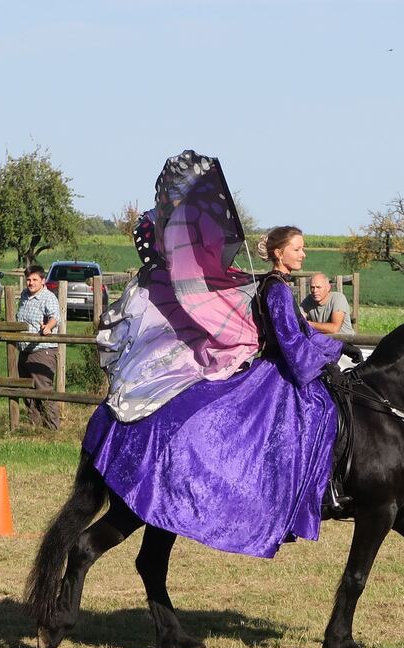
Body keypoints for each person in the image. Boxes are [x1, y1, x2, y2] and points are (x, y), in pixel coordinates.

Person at [83, 225, 348, 558]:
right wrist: (328, 354)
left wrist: (332, 344)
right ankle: (321, 493)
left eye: (304, 248)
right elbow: (290, 344)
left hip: (282, 368)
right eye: (298, 248)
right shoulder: (276, 289)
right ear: (279, 253)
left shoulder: (281, 286)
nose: (303, 253)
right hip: (279, 374)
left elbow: (302, 330)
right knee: (316, 413)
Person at [16, 264, 61, 429]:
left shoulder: (48, 297)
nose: (31, 282)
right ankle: (35, 425)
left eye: (35, 279)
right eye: (28, 279)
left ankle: (52, 427)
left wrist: (48, 327)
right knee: (27, 390)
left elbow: (55, 316)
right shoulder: (24, 296)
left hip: (42, 349)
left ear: (43, 281)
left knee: (43, 389)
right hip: (24, 349)